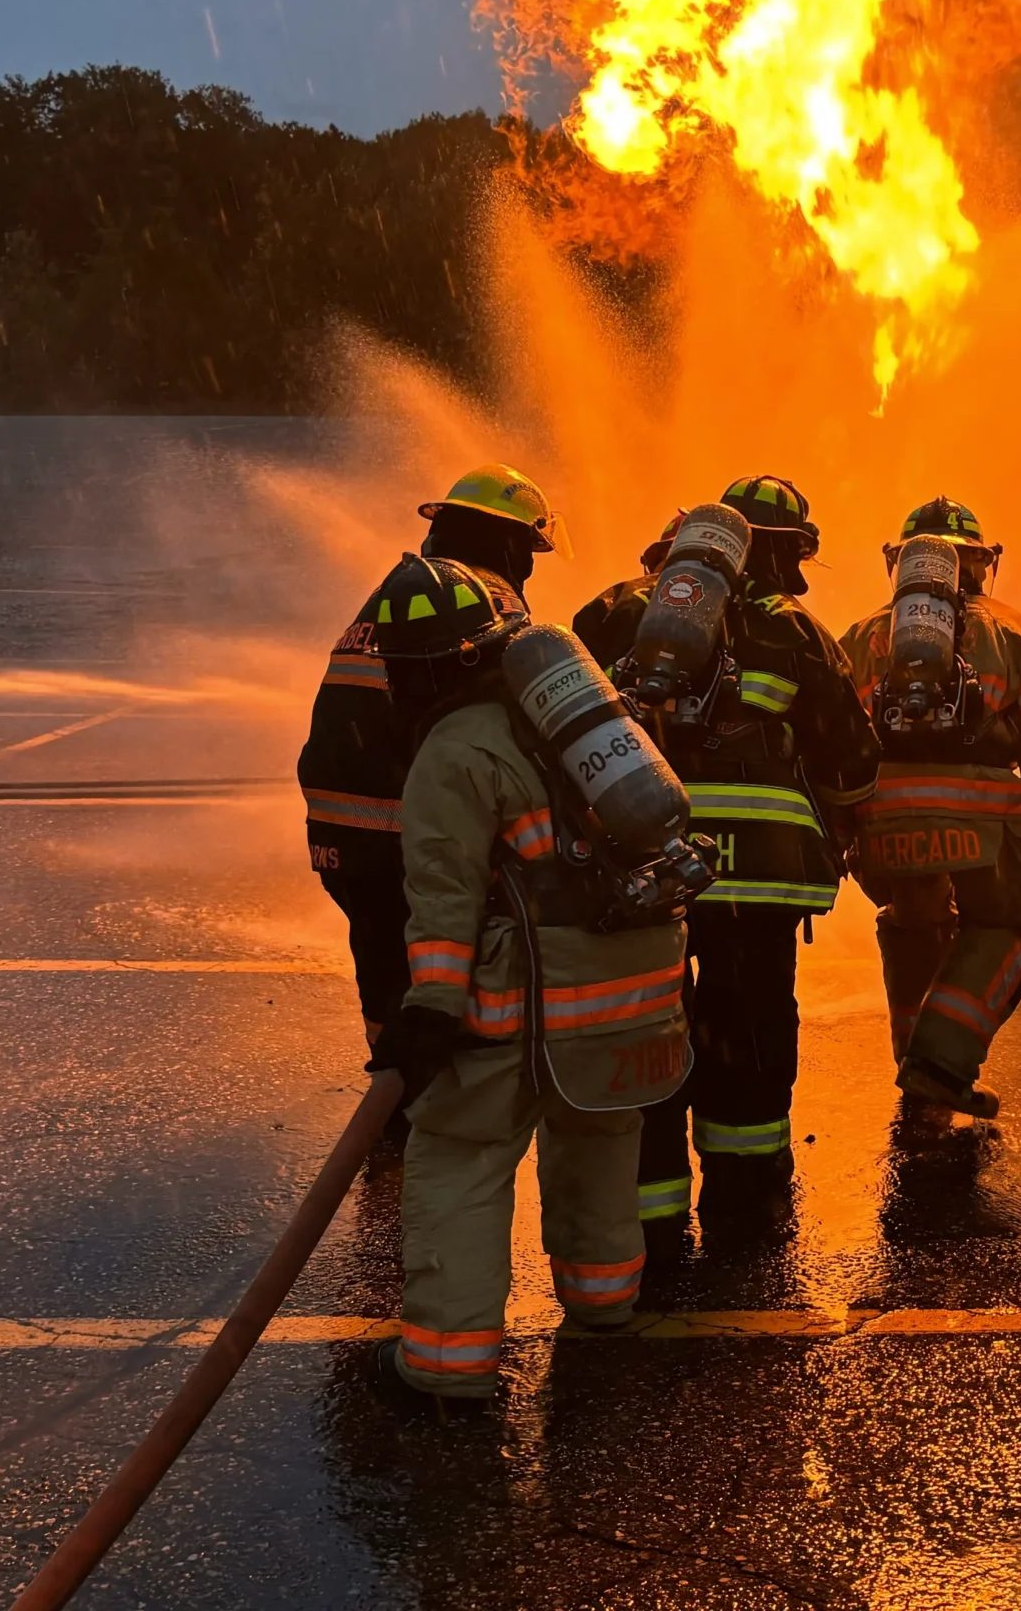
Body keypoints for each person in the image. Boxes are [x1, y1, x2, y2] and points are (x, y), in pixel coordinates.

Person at [362, 554, 693, 1405]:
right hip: (631, 992)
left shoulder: (456, 748)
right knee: (598, 1140)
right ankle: (604, 1298)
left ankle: (448, 1364)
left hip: (528, 1001)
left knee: (460, 1155)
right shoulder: (580, 725)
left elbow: (444, 895)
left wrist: (432, 1010)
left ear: (428, 668)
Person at [573, 476, 879, 1243]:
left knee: (648, 1025)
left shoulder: (616, 612)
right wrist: (841, 823)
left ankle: (649, 1206)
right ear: (780, 552)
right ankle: (747, 1196)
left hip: (640, 868)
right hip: (760, 875)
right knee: (748, 1024)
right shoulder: (793, 628)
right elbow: (851, 753)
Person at [296, 465, 568, 1094]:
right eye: (528, 549)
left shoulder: (396, 596)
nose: (529, 566)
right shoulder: (477, 603)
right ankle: (438, 1102)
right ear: (507, 542)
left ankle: (393, 1096)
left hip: (340, 836)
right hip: (410, 832)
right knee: (445, 976)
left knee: (384, 971)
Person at [842, 497, 1021, 1117]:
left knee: (913, 920)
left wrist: (841, 838)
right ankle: (938, 1064)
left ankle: (914, 1068)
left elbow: (832, 746)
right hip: (987, 827)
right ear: (980, 563)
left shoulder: (859, 639)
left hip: (881, 828)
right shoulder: (1018, 633)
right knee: (1018, 922)